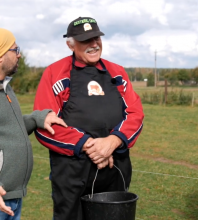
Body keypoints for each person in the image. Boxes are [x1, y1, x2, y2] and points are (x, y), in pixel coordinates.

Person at [34, 16, 144, 220]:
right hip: (72, 170)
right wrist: (89, 146)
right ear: (71, 45)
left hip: (115, 165)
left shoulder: (117, 72)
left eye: (97, 38)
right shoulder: (55, 73)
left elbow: (135, 113)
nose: (94, 44)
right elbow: (45, 124)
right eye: (86, 40)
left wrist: (113, 141)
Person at [0, 28, 67, 220]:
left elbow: (9, 128)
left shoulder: (5, 87)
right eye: (15, 49)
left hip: (11, 196)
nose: (20, 54)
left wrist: (38, 118)